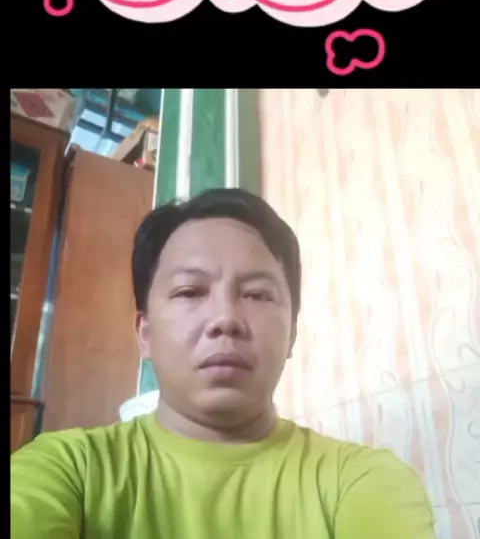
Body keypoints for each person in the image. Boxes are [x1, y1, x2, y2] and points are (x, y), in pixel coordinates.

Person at [11, 187, 438, 538]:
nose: (225, 319)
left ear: (291, 334)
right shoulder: (69, 469)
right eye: (189, 292)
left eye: (257, 294)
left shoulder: (362, 481)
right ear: (145, 333)